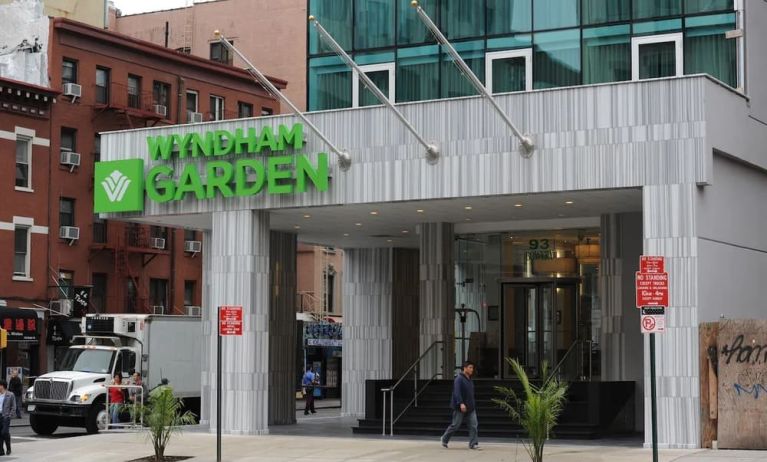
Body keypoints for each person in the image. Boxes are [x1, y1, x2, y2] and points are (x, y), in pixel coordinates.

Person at [440, 361, 479, 450]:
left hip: (470, 407)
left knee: (474, 425)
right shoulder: (459, 379)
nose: (472, 369)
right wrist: (461, 403)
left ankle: (473, 444)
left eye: (472, 368)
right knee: (455, 425)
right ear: (464, 368)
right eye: (470, 367)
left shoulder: (469, 379)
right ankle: (444, 439)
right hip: (460, 406)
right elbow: (457, 392)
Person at [0, 380, 16, 456]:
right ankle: (1, 450)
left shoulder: (10, 395)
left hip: (6, 416)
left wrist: (9, 416)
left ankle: (8, 448)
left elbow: (13, 407)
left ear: (2, 386)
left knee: (4, 432)